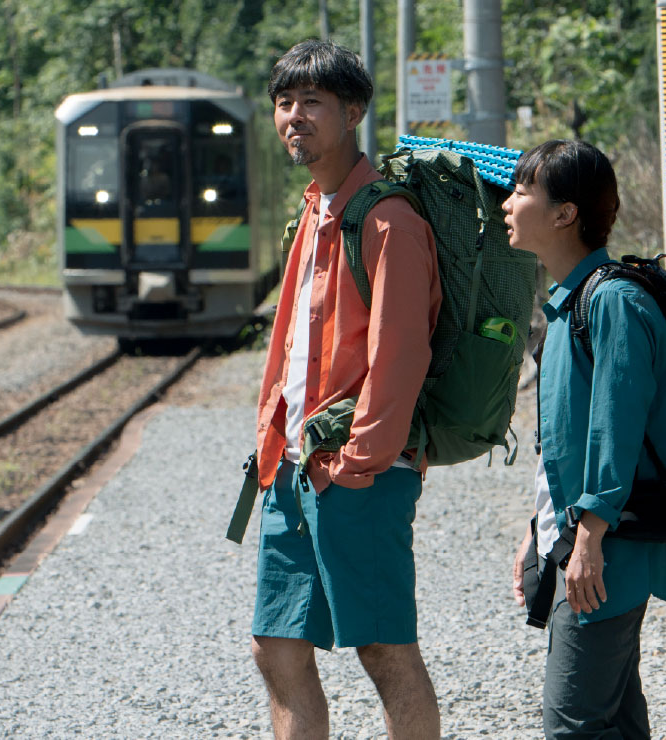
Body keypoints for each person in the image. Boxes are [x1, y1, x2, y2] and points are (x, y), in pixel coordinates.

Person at [248, 39, 443, 740]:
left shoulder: (388, 220)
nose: (294, 116)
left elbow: (401, 352)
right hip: (293, 467)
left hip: (360, 471)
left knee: (383, 649)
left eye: (312, 102)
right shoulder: (313, 210)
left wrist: (360, 462)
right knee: (276, 646)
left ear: (353, 112)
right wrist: (273, 443)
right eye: (284, 103)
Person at [502, 139, 666, 740]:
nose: (507, 203)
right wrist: (539, 530)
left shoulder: (613, 302)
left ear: (565, 213)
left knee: (572, 725)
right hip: (585, 538)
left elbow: (616, 429)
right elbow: (565, 443)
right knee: (617, 721)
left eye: (522, 191)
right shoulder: (569, 304)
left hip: (609, 546)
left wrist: (589, 537)